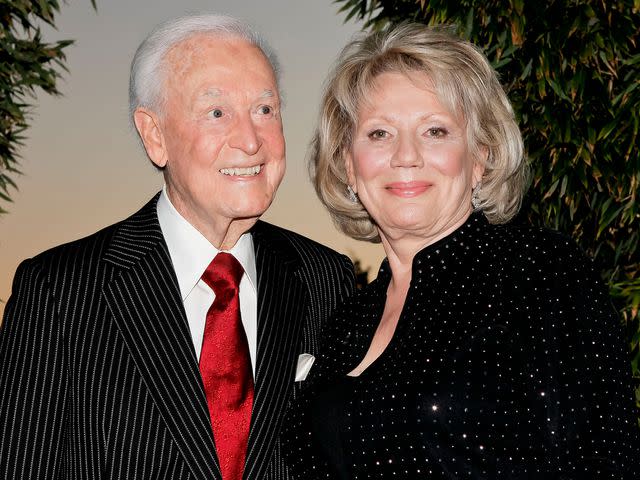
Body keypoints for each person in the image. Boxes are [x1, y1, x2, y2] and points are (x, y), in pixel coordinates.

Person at [0, 14, 355, 480]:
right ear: (155, 135)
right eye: (216, 112)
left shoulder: (326, 278)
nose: (250, 140)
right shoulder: (59, 290)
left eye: (265, 110)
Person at [283, 23, 639, 479]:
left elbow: (605, 462)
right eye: (379, 134)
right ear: (348, 165)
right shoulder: (345, 321)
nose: (405, 155)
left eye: (435, 131)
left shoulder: (540, 274)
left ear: (480, 157)